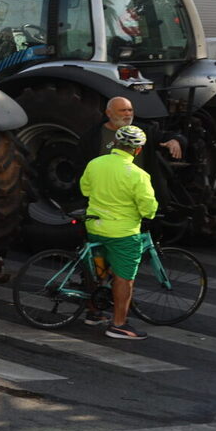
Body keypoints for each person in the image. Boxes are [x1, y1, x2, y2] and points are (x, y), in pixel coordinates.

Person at [79, 123, 158, 340]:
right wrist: (150, 214)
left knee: (98, 271)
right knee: (124, 278)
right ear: (138, 150)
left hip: (94, 227)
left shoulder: (95, 164)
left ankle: (94, 312)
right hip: (122, 233)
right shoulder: (138, 175)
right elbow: (147, 207)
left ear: (115, 142)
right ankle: (119, 325)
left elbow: (85, 189)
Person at [93, 95, 182, 161]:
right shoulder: (94, 135)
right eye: (123, 110)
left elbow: (166, 136)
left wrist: (175, 140)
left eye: (130, 110)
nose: (128, 114)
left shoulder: (144, 131)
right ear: (109, 113)